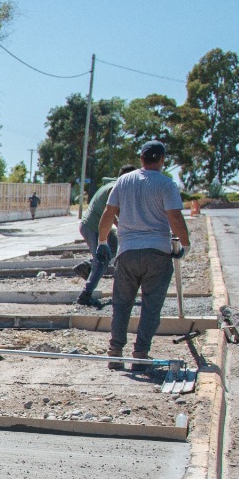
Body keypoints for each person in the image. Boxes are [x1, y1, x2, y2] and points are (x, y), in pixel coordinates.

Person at [97, 141, 189, 370]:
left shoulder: (123, 181)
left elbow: (109, 212)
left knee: (121, 304)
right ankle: (140, 354)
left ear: (141, 158)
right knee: (151, 306)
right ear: (162, 160)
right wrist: (185, 244)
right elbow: (175, 217)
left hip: (127, 251)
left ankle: (115, 352)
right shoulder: (166, 184)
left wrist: (102, 241)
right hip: (157, 252)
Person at [76, 166, 137, 307]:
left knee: (113, 247)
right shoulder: (114, 189)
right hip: (92, 227)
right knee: (102, 261)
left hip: (100, 227)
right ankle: (85, 295)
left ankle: (87, 266)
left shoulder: (114, 186)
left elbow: (112, 213)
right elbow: (110, 212)